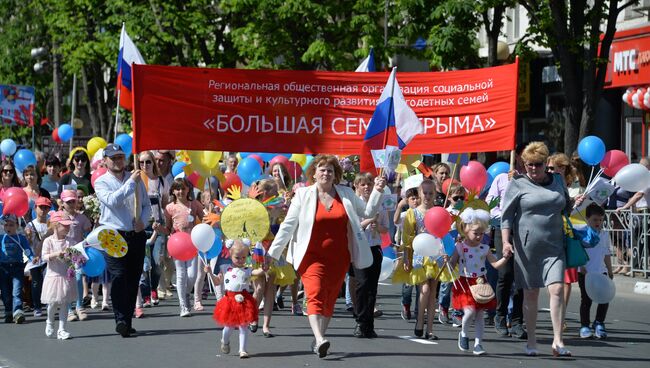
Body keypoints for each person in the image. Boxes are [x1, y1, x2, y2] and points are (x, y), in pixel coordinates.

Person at [267, 154, 386, 358]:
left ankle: (319, 338)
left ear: (335, 174)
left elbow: (367, 211)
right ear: (314, 173)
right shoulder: (303, 195)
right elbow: (288, 226)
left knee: (329, 298)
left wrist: (378, 190)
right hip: (311, 256)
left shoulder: (346, 193)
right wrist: (272, 253)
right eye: (322, 169)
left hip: (339, 257)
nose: (326, 173)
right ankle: (320, 338)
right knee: (315, 292)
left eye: (330, 170)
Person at [501, 141, 582, 357]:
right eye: (529, 165)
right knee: (531, 293)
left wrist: (574, 202)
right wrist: (506, 242)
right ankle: (532, 341)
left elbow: (565, 205)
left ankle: (558, 341)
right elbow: (506, 216)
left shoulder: (557, 180)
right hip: (527, 247)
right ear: (523, 164)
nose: (533, 169)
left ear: (546, 163)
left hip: (554, 245)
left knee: (556, 289)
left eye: (538, 164)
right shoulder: (517, 183)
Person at [94, 143, 151, 337]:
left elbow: (146, 206)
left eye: (120, 157)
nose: (118, 160)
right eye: (113, 158)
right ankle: (120, 319)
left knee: (133, 278)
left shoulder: (135, 179)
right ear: (105, 161)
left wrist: (143, 222)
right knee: (119, 276)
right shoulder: (101, 182)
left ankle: (126, 319)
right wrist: (130, 184)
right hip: (113, 235)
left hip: (135, 235)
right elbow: (111, 201)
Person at [449, 207, 511, 355]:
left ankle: (478, 344)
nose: (479, 236)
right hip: (465, 282)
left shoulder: (485, 248)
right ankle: (464, 333)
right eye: (475, 233)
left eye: (481, 233)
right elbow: (452, 265)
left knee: (479, 315)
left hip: (480, 282)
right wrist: (447, 259)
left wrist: (505, 258)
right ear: (466, 231)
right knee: (469, 312)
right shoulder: (460, 247)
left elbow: (495, 265)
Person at [393, 179, 444, 340]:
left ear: (435, 194)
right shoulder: (412, 213)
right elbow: (408, 238)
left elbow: (444, 234)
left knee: (433, 291)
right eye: (425, 193)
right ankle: (419, 321)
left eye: (431, 193)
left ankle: (430, 328)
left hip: (435, 254)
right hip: (419, 255)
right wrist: (407, 258)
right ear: (419, 194)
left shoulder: (438, 211)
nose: (427, 196)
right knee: (425, 289)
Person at [486, 144, 527, 339]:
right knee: (505, 274)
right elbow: (490, 205)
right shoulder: (502, 179)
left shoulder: (533, 181)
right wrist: (505, 214)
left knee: (522, 279)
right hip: (504, 232)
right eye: (525, 156)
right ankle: (500, 316)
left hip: (526, 233)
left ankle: (518, 320)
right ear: (518, 157)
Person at [207, 239, 265, 359]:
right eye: (237, 257)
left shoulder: (247, 269)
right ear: (230, 255)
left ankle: (242, 350)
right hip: (230, 300)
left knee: (244, 326)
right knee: (229, 326)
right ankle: (225, 340)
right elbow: (217, 282)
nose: (240, 260)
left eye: (243, 257)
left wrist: (264, 269)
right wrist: (210, 274)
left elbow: (257, 272)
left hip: (244, 300)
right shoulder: (225, 268)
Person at [547, 152, 585, 331]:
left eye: (553, 168)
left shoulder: (574, 184)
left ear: (563, 168)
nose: (549, 171)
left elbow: (570, 209)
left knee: (567, 279)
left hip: (569, 231)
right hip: (549, 233)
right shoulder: (545, 183)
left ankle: (561, 315)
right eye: (548, 168)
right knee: (552, 279)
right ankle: (556, 312)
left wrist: (576, 201)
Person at [351, 172, 388, 338]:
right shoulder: (353, 203)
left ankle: (369, 324)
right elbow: (353, 226)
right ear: (357, 186)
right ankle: (359, 321)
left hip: (374, 247)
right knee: (362, 284)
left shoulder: (380, 204)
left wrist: (377, 225)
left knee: (372, 287)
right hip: (359, 248)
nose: (366, 187)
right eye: (363, 184)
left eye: (369, 184)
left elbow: (385, 229)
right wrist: (368, 221)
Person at [160, 177, 204, 317]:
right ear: (173, 191)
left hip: (192, 243)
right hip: (177, 244)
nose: (180, 191)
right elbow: (167, 228)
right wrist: (160, 229)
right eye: (177, 189)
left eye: (183, 188)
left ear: (188, 189)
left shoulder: (194, 204)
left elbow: (204, 220)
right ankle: (183, 306)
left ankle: (186, 294)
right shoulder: (169, 207)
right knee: (181, 274)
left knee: (192, 275)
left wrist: (210, 216)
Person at [578, 203, 613, 339]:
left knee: (604, 298)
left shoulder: (604, 234)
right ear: (587, 218)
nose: (598, 222)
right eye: (595, 219)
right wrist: (582, 267)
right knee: (586, 300)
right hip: (585, 272)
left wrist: (609, 270)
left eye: (600, 219)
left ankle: (599, 322)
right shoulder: (582, 232)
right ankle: (584, 326)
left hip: (601, 272)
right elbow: (579, 252)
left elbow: (606, 253)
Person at [40, 211, 78, 339]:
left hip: (66, 276)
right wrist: (56, 254)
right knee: (53, 304)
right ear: (56, 225)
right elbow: (44, 257)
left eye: (68, 225)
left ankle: (62, 329)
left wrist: (72, 256)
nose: (67, 228)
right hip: (53, 277)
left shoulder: (70, 241)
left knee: (65, 303)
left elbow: (74, 256)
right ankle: (50, 321)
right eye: (64, 225)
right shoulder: (48, 241)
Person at [59, 189, 92, 322]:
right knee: (67, 280)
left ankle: (79, 306)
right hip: (63, 252)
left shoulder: (81, 217)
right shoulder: (58, 216)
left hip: (77, 252)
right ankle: (69, 309)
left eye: (73, 201)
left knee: (78, 278)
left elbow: (88, 233)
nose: (71, 204)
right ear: (62, 203)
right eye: (68, 202)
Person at [0, 214, 34, 324]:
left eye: (11, 225)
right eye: (6, 225)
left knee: (17, 290)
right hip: (3, 268)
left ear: (17, 225)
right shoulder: (1, 238)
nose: (8, 227)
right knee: (5, 292)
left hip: (17, 267)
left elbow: (27, 250)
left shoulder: (21, 238)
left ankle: (18, 312)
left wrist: (32, 258)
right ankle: (8, 312)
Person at [393, 187, 420, 321]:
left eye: (417, 198)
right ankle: (406, 304)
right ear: (407, 201)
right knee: (408, 282)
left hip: (421, 250)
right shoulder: (406, 214)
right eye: (412, 199)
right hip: (407, 250)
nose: (415, 201)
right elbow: (396, 221)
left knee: (420, 281)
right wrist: (399, 206)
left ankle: (419, 309)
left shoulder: (423, 213)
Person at [24, 196, 53, 317]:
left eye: (46, 208)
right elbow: (27, 243)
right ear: (35, 208)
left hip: (48, 256)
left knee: (49, 280)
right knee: (36, 282)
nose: (43, 210)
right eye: (41, 207)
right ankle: (37, 306)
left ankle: (48, 302)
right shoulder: (30, 225)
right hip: (35, 258)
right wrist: (29, 236)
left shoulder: (51, 224)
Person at [154, 150, 175, 300]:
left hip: (173, 220)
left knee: (171, 255)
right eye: (157, 160)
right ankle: (160, 286)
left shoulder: (174, 178)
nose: (159, 163)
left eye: (162, 160)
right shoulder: (152, 178)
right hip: (158, 220)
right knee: (159, 255)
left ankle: (167, 284)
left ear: (169, 161)